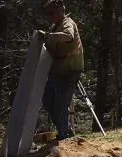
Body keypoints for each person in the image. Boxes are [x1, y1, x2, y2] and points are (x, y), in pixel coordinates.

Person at [38, 0, 84, 141]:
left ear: (59, 12)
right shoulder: (55, 25)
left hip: (69, 70)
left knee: (61, 104)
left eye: (52, 13)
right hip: (57, 71)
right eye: (49, 14)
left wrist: (48, 36)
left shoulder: (67, 23)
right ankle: (65, 131)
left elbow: (68, 36)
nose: (50, 16)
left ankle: (64, 135)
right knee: (47, 101)